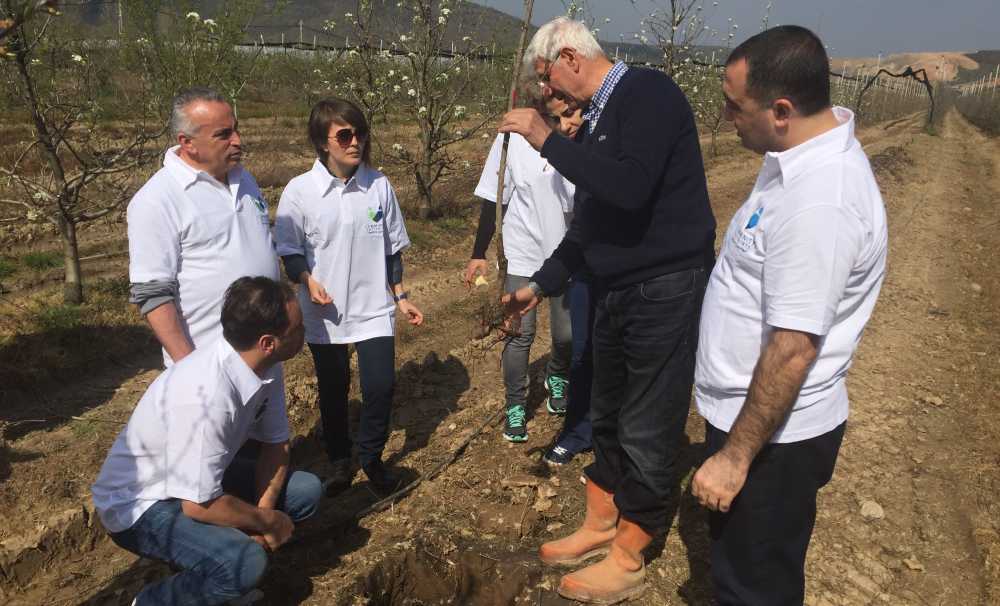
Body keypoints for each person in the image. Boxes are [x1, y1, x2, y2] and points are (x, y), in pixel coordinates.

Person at [500, 17, 716, 603]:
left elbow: (627, 188)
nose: (549, 97)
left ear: (570, 57)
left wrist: (547, 139)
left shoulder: (648, 93)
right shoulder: (597, 122)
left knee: (648, 421)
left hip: (663, 287)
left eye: (546, 83)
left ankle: (628, 553)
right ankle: (600, 522)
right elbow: (592, 221)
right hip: (619, 288)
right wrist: (537, 286)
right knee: (610, 410)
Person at [690, 26, 888, 605]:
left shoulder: (819, 200)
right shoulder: (794, 158)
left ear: (781, 110)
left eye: (734, 105)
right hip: (754, 418)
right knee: (743, 572)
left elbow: (794, 346)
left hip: (772, 437)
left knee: (754, 589)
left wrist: (734, 457)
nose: (727, 117)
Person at [91, 277, 322, 606]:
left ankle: (222, 564)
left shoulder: (265, 366)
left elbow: (275, 446)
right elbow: (197, 505)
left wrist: (261, 517)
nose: (304, 331)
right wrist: (268, 523)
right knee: (243, 564)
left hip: (197, 483)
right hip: (142, 504)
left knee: (304, 492)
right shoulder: (209, 396)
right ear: (269, 342)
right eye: (298, 328)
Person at [274, 98, 423, 497]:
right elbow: (289, 250)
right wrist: (306, 279)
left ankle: (372, 458)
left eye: (359, 133)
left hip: (373, 307)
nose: (354, 141)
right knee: (334, 389)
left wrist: (400, 295)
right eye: (344, 135)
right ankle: (340, 459)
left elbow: (392, 248)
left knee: (380, 387)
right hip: (326, 310)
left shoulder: (378, 186)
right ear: (323, 143)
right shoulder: (300, 192)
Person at [464, 88, 583, 444]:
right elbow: (492, 199)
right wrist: (478, 252)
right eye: (560, 115)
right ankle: (515, 404)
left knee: (566, 333)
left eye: (574, 113)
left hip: (566, 255)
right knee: (520, 335)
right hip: (522, 251)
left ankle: (557, 373)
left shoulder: (583, 142)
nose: (568, 122)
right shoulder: (512, 142)